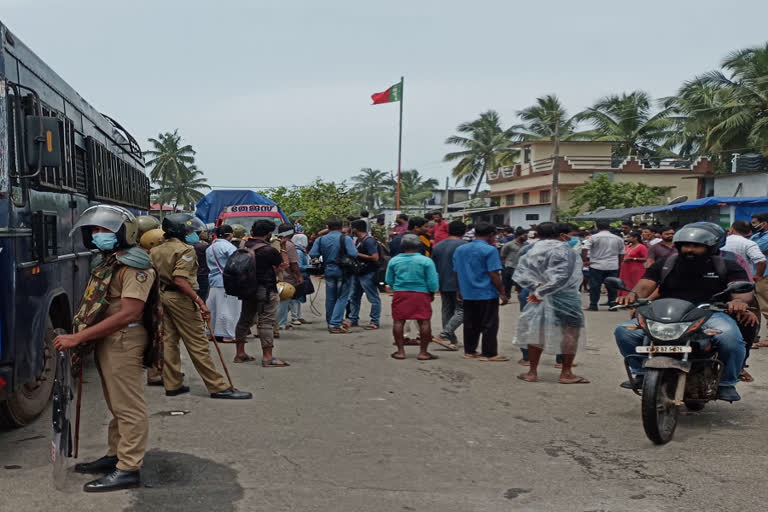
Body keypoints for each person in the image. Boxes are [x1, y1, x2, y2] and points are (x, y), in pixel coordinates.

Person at [52, 205, 155, 492]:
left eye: (106, 230)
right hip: (110, 340)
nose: (99, 235)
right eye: (95, 231)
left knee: (128, 407)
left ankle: (129, 467)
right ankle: (115, 456)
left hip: (124, 340)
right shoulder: (110, 262)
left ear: (125, 233)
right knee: (115, 403)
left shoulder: (135, 266)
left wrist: (79, 337)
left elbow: (129, 313)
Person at [615, 222, 752, 402]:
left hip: (710, 312)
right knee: (624, 331)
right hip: (668, 312)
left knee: (730, 338)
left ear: (711, 247)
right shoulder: (665, 265)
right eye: (686, 245)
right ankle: (640, 372)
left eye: (696, 246)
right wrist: (632, 297)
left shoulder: (727, 266)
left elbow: (741, 291)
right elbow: (645, 285)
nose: (690, 249)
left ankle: (727, 383)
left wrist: (738, 301)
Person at [150, 213, 252, 399]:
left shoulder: (156, 250)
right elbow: (180, 280)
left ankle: (173, 383)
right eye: (189, 230)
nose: (193, 233)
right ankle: (217, 386)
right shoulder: (185, 250)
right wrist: (199, 302)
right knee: (198, 343)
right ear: (181, 231)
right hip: (181, 298)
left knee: (169, 341)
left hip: (162, 296)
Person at [514, 222, 588, 384]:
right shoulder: (566, 250)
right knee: (570, 332)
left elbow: (521, 273)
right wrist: (542, 291)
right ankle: (566, 372)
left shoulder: (531, 249)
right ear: (560, 234)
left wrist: (537, 288)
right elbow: (563, 276)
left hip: (539, 294)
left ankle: (532, 372)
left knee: (537, 330)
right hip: (565, 295)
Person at [234, 220, 291, 367]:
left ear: (252, 231)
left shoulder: (242, 246)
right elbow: (283, 265)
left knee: (244, 319)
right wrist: (283, 247)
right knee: (266, 322)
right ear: (269, 234)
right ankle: (267, 357)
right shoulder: (268, 250)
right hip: (265, 289)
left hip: (246, 289)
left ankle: (240, 353)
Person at [453, 222, 509, 361]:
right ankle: (489, 353)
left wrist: (459, 289)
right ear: (491, 235)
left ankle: (470, 350)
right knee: (489, 323)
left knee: (470, 322)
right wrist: (502, 292)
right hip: (486, 292)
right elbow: (493, 273)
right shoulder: (490, 250)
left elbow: (456, 271)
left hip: (468, 291)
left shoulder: (460, 249)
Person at [385, 234, 440, 360]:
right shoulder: (426, 261)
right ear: (419, 245)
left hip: (401, 292)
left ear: (402, 246)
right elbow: (432, 281)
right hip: (421, 293)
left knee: (399, 320)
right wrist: (431, 292)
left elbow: (389, 279)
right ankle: (423, 352)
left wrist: (397, 287)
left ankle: (400, 351)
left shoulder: (394, 260)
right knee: (424, 321)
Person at [309, 219, 359, 333]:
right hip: (343, 271)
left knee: (330, 297)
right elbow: (353, 254)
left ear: (328, 227)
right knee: (342, 297)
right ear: (341, 227)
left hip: (328, 270)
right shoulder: (345, 238)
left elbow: (313, 254)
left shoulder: (321, 239)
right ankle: (335, 324)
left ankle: (330, 320)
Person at [205, 225, 246, 359]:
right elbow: (237, 263)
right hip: (227, 282)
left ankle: (211, 332)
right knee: (229, 309)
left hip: (214, 281)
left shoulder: (210, 248)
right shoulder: (229, 247)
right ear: (230, 235)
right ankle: (227, 334)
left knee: (213, 308)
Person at [430, 220, 467, 350]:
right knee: (463, 310)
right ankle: (445, 335)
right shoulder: (464, 245)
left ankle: (451, 339)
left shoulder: (438, 246)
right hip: (459, 283)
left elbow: (433, 266)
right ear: (464, 231)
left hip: (443, 281)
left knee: (447, 310)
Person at [582, 220, 625, 311]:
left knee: (595, 286)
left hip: (597, 265)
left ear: (597, 227)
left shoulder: (593, 237)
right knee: (612, 286)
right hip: (612, 265)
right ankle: (612, 305)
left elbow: (585, 249)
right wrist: (619, 264)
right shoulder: (618, 239)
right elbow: (621, 253)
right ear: (609, 227)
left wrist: (585, 260)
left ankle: (593, 305)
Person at [346, 220, 382, 329]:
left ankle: (374, 321)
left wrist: (357, 254)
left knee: (373, 298)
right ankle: (353, 318)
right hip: (359, 273)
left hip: (368, 273)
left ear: (356, 229)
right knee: (354, 297)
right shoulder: (359, 241)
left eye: (352, 228)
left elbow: (375, 257)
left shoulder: (369, 241)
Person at [276, 223, 305, 331]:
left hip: (275, 275)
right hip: (286, 277)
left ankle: (278, 322)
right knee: (284, 299)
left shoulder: (274, 242)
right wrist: (299, 276)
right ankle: (281, 323)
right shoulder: (289, 245)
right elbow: (293, 264)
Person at [290, 234, 313, 325]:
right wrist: (310, 267)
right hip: (299, 276)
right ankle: (294, 317)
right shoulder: (299, 252)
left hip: (303, 276)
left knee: (299, 298)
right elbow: (298, 266)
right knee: (295, 299)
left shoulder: (301, 251)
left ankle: (298, 316)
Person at [500, 228, 527, 298]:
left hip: (522, 266)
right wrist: (504, 265)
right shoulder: (509, 244)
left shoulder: (526, 245)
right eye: (524, 235)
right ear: (518, 235)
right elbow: (503, 254)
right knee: (508, 283)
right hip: (510, 266)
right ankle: (507, 296)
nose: (526, 237)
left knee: (521, 282)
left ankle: (520, 295)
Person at [619, 230, 648, 295]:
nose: (627, 239)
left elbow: (646, 258)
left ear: (635, 238)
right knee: (626, 283)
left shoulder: (641, 247)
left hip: (636, 269)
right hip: (626, 269)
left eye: (629, 237)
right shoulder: (627, 246)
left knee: (635, 283)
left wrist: (633, 259)